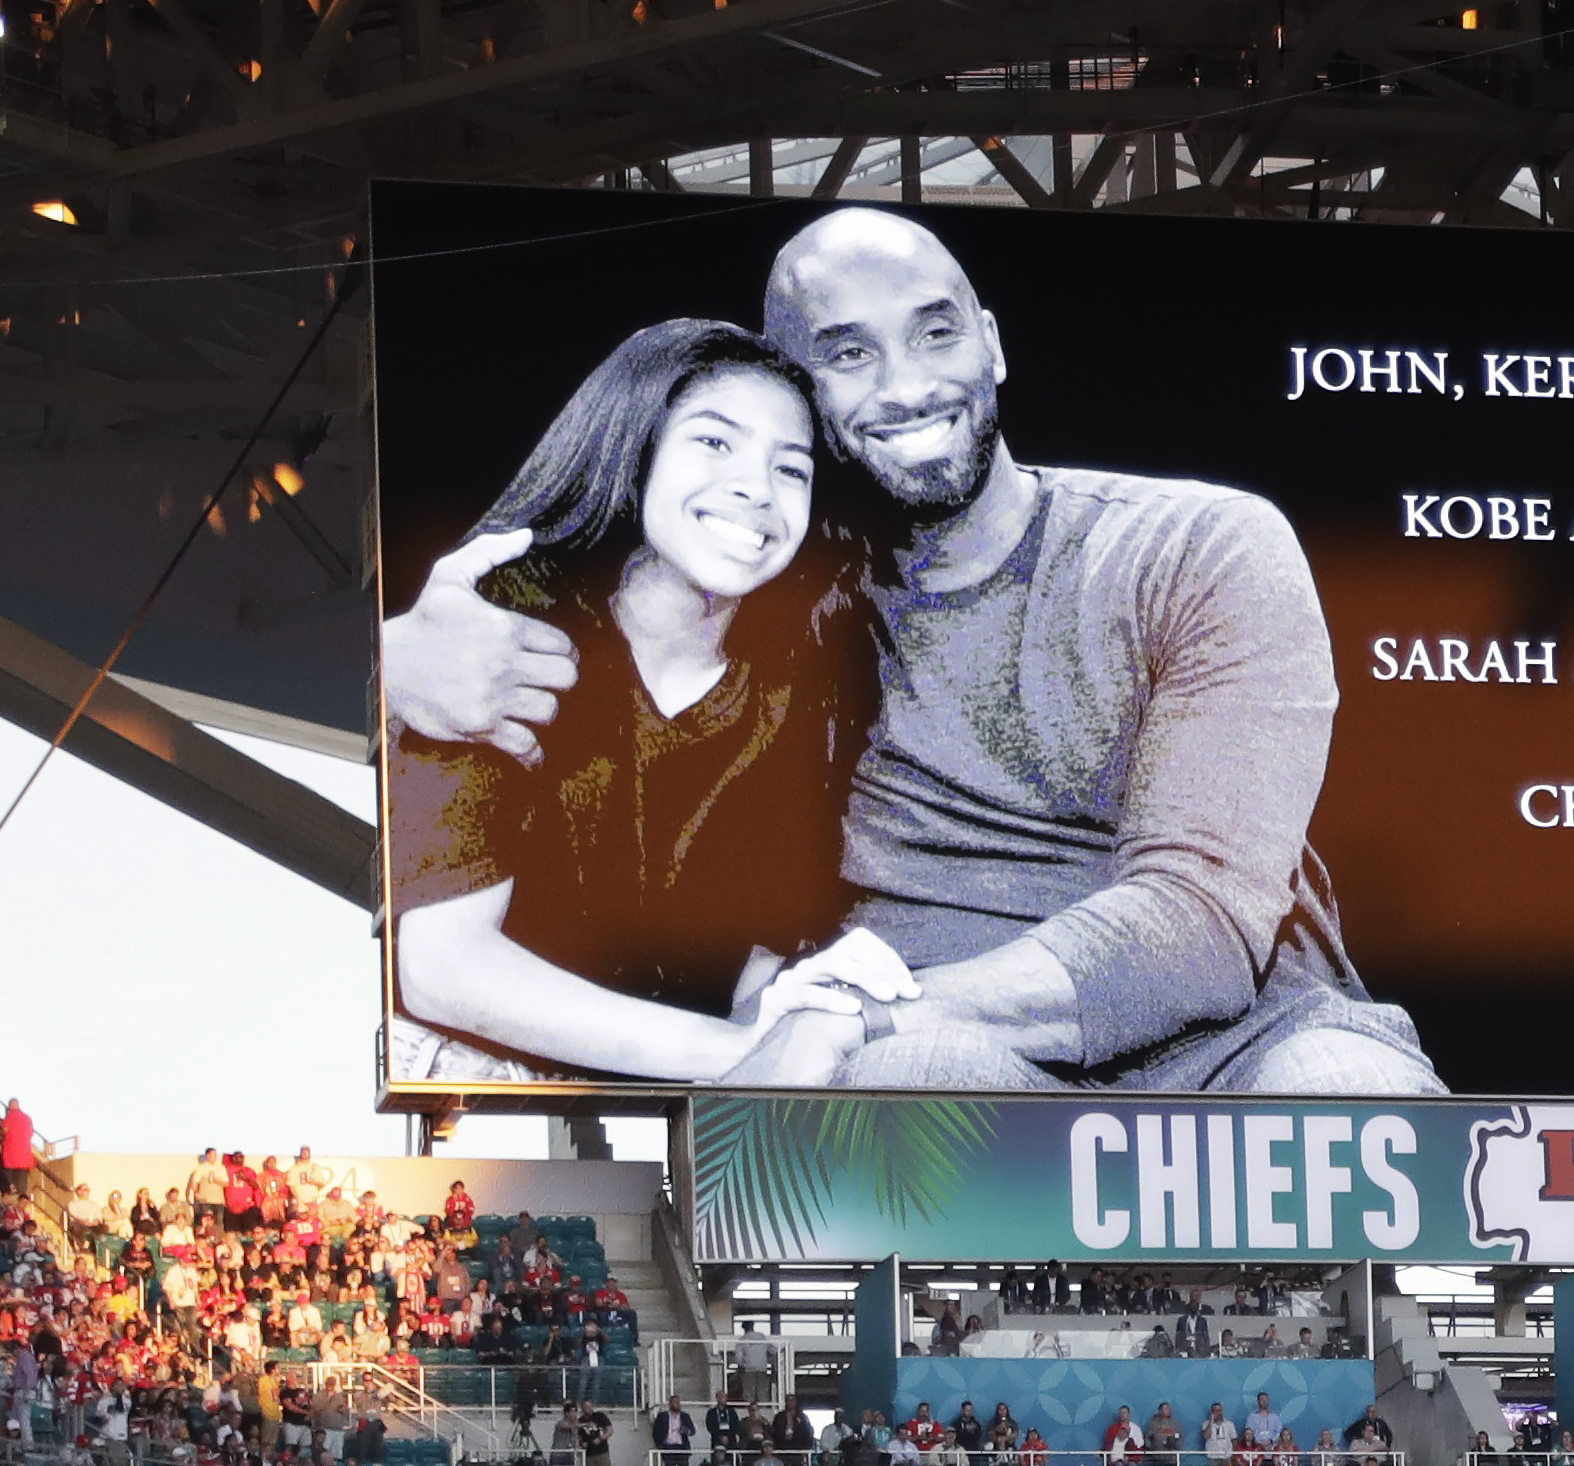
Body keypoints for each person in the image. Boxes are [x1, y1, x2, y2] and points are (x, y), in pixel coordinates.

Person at [380, 206, 1435, 1097]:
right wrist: (395, 664)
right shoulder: (776, 605)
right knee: (921, 1079)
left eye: (936, 334)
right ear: (793, 389)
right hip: (946, 1060)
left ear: (993, 343)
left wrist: (835, 1026)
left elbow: (1198, 921)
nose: (905, 385)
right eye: (846, 354)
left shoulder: (1193, 546)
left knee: (1348, 1094)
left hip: (1246, 1045)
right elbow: (617, 653)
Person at [386, 317, 894, 1085]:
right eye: (714, 442)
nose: (756, 490)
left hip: (653, 1102)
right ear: (638, 443)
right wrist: (741, 1055)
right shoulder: (504, 625)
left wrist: (797, 1008)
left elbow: (740, 956)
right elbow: (442, 966)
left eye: (790, 469)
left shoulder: (792, 691)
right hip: (474, 1083)